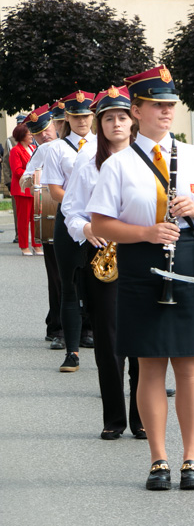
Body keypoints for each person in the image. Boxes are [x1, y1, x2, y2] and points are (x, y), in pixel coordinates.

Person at [88, 64, 194, 489]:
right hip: (140, 261)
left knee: (189, 367)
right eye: (158, 106)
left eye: (170, 105)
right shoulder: (118, 164)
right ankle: (158, 459)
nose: (167, 113)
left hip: (187, 257)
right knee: (149, 365)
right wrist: (146, 232)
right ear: (137, 110)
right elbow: (99, 224)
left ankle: (191, 458)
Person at [62, 85, 144, 440]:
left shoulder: (146, 160)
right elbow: (70, 208)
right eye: (108, 118)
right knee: (109, 341)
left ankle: (142, 417)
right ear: (100, 124)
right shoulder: (87, 162)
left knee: (143, 339)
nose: (115, 123)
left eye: (121, 117)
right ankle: (114, 418)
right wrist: (84, 228)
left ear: (132, 121)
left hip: (141, 252)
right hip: (102, 254)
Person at [41, 90, 97, 373]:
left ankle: (96, 335)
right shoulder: (56, 149)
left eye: (86, 115)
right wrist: (83, 203)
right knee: (70, 285)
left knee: (102, 283)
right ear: (68, 119)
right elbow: (54, 190)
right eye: (76, 116)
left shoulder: (105, 144)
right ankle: (71, 351)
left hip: (101, 223)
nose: (82, 121)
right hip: (69, 222)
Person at [22, 105, 63, 348]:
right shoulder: (42, 151)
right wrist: (32, 178)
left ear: (56, 125)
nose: (44, 135)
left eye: (46, 129)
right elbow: (25, 178)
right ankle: (57, 326)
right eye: (38, 133)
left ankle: (87, 325)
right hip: (53, 215)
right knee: (57, 276)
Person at [9, 124, 40, 256]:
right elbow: (17, 171)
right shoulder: (15, 151)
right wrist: (32, 174)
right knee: (23, 220)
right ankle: (23, 246)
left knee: (36, 219)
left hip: (35, 189)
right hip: (23, 189)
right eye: (29, 134)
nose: (32, 136)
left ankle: (36, 245)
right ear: (22, 136)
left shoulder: (33, 148)